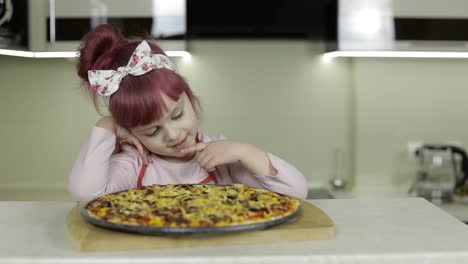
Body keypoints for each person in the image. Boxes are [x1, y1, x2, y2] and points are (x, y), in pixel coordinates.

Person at [69, 24, 308, 202]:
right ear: (132, 134)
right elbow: (86, 195)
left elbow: (296, 192)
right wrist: (108, 125)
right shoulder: (136, 164)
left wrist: (246, 151)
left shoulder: (221, 158)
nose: (173, 135)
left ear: (190, 99)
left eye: (177, 115)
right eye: (152, 130)